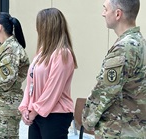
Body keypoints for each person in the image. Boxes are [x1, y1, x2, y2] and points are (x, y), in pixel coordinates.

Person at [82, 0, 146, 138]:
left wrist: (88, 119)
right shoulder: (139, 42)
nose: (103, 14)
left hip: (118, 131)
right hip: (134, 129)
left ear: (118, 14)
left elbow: (106, 91)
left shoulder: (124, 48)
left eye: (105, 9)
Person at [18, 8, 78, 139]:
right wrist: (25, 108)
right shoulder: (41, 52)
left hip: (55, 116)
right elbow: (31, 82)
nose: (36, 30)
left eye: (39, 26)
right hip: (36, 113)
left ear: (48, 27)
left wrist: (34, 111)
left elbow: (53, 89)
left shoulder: (63, 54)